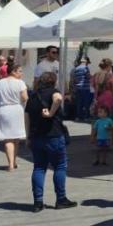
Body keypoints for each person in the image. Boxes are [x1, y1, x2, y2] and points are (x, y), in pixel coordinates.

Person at [25, 71, 77, 212]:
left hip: (36, 137)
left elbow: (27, 117)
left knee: (39, 168)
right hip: (53, 136)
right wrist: (51, 113)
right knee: (59, 166)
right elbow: (58, 99)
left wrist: (28, 136)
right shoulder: (53, 92)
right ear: (53, 82)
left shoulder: (33, 96)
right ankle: (61, 199)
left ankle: (38, 202)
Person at [0, 62, 28, 172]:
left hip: (3, 109)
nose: (21, 73)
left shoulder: (0, 82)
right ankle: (13, 162)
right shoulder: (20, 83)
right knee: (16, 137)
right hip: (16, 109)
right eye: (20, 71)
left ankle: (11, 164)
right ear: (13, 71)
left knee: (8, 137)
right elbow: (25, 97)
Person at [72, 56, 92, 121]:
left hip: (78, 88)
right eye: (88, 63)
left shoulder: (76, 68)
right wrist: (92, 77)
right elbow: (88, 76)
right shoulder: (85, 68)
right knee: (86, 103)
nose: (88, 64)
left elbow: (74, 79)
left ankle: (78, 116)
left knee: (79, 103)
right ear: (86, 62)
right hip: (85, 87)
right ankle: (86, 117)